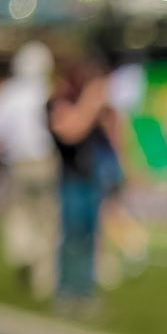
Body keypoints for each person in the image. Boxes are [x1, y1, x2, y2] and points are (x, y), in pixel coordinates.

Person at [0, 42, 60, 300]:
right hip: (46, 161)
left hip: (19, 162)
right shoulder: (48, 91)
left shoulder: (10, 93)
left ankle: (25, 255)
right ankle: (43, 275)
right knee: (48, 219)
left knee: (21, 214)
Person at [49, 62, 109, 316]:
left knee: (89, 237)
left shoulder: (91, 105)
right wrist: (91, 103)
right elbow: (71, 130)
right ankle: (66, 289)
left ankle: (85, 290)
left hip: (91, 177)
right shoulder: (55, 104)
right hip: (71, 179)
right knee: (72, 236)